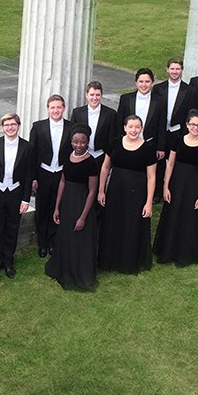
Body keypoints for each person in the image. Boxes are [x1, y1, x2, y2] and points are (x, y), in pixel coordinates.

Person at [153, 110, 198, 267]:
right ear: (187, 125)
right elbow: (170, 164)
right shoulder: (178, 140)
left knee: (189, 217)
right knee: (172, 215)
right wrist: (166, 186)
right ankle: (168, 250)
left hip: (194, 185)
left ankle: (185, 252)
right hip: (176, 183)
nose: (195, 127)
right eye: (193, 124)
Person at [97, 115, 157, 274]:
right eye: (130, 127)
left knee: (132, 225)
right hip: (115, 191)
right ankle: (110, 259)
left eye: (137, 127)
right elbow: (105, 168)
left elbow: (151, 177)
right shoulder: (115, 143)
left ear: (142, 128)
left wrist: (149, 202)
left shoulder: (148, 148)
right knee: (113, 223)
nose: (134, 130)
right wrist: (101, 190)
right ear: (124, 127)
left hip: (137, 194)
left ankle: (128, 260)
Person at [46, 125, 99, 290]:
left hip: (81, 203)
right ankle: (64, 267)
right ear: (71, 142)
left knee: (79, 238)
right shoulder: (67, 156)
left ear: (87, 142)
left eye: (82, 142)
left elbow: (92, 191)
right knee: (66, 235)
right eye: (75, 142)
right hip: (67, 202)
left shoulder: (91, 162)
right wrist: (57, 207)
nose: (78, 145)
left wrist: (83, 217)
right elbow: (62, 181)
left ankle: (79, 271)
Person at [0, 113, 33, 278]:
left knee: (12, 228)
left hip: (16, 193)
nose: (10, 127)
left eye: (13, 124)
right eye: (6, 125)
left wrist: (25, 199)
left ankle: (8, 261)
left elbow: (28, 175)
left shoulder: (27, 146)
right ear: (2, 127)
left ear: (18, 126)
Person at [29, 94, 73, 258]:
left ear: (64, 108)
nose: (56, 110)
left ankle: (53, 241)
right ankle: (42, 243)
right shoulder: (38, 127)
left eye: (59, 107)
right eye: (53, 107)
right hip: (43, 173)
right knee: (42, 208)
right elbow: (32, 154)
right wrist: (33, 177)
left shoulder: (71, 127)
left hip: (61, 173)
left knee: (58, 206)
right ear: (48, 109)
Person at [152, 58, 196, 195]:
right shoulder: (158, 88)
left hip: (178, 131)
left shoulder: (190, 90)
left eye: (177, 69)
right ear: (167, 69)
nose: (175, 71)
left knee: (175, 162)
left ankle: (172, 189)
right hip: (161, 131)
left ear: (182, 70)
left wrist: (184, 134)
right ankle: (158, 191)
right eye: (172, 68)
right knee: (159, 161)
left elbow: (190, 114)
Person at [116, 68, 167, 161]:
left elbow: (162, 125)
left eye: (147, 81)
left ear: (152, 82)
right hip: (128, 144)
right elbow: (119, 122)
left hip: (150, 144)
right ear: (136, 82)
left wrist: (161, 147)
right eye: (141, 81)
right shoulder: (126, 99)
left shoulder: (160, 101)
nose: (144, 85)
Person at [70, 80, 117, 164]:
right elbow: (72, 135)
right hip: (80, 155)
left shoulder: (110, 114)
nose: (94, 98)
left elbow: (112, 137)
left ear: (101, 95)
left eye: (97, 95)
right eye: (92, 95)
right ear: (86, 95)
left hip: (101, 156)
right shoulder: (77, 112)